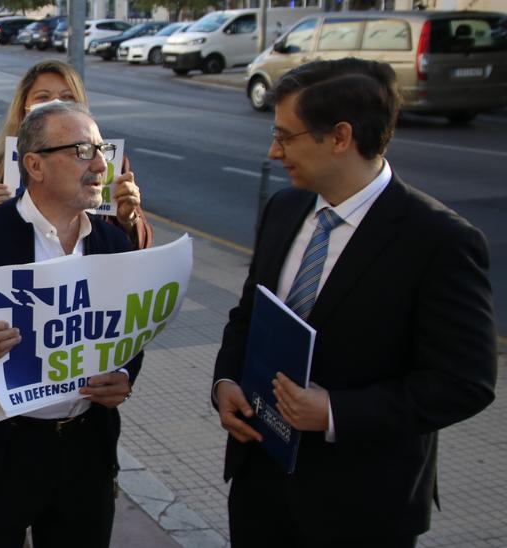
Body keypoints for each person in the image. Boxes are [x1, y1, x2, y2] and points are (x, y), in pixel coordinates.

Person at [212, 58, 496, 547]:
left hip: (361, 506)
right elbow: (248, 315)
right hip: (261, 482)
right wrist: (226, 380)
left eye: (286, 136)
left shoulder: (439, 241)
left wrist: (334, 412)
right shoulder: (284, 209)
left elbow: (464, 382)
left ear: (340, 137)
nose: (273, 151)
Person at [0, 101, 142, 547]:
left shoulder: (113, 244)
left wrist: (123, 376)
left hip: (86, 450)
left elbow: (131, 335)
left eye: (100, 149)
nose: (101, 164)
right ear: (34, 166)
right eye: (83, 150)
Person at [0, 60, 152, 250]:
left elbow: (134, 251)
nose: (56, 104)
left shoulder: (109, 162)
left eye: (68, 97)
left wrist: (129, 219)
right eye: (43, 97)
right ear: (23, 107)